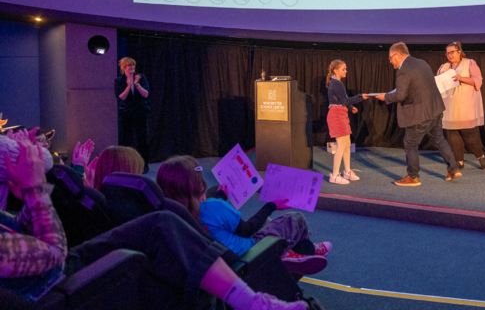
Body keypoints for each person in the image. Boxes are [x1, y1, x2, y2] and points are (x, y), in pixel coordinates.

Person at [0, 128, 307, 309]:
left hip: (56, 269)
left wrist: (24, 189)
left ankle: (254, 292)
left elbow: (26, 232)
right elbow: (52, 255)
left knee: (166, 217)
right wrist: (33, 187)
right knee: (165, 223)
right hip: (57, 283)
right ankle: (252, 300)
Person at [157, 156, 331, 275]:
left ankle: (294, 251)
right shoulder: (212, 207)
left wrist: (220, 196)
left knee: (267, 222)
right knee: (295, 220)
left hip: (221, 261)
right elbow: (248, 229)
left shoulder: (167, 214)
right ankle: (304, 250)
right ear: (196, 186)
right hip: (248, 254)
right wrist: (272, 205)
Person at [374, 42, 461, 186]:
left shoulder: (403, 70)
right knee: (439, 140)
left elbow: (400, 95)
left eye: (391, 58)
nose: (390, 62)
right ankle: (453, 168)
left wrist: (385, 97)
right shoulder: (422, 63)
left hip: (420, 115)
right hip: (435, 109)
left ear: (398, 54)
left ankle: (413, 177)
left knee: (410, 144)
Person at [436, 41, 485, 170]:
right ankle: (459, 161)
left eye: (452, 52)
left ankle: (480, 157)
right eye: (447, 53)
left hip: (465, 105)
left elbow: (478, 81)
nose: (449, 55)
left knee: (469, 132)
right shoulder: (444, 67)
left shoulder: (469, 63)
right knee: (453, 133)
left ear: (459, 52)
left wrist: (461, 78)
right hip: (449, 105)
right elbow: (437, 83)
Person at [326, 59, 367, 184]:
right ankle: (334, 175)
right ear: (335, 70)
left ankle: (347, 171)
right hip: (337, 115)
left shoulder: (336, 82)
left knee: (347, 143)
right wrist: (360, 97)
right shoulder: (336, 83)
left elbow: (341, 101)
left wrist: (350, 107)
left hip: (341, 113)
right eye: (343, 69)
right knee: (341, 145)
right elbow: (345, 100)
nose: (346, 71)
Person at [115, 57, 150, 173]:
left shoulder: (141, 77)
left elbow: (145, 95)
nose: (132, 68)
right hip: (126, 114)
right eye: (130, 66)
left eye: (133, 66)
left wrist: (136, 84)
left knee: (142, 140)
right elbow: (121, 97)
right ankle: (127, 166)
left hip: (141, 113)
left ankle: (144, 165)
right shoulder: (119, 80)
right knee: (126, 141)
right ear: (124, 67)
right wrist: (129, 85)